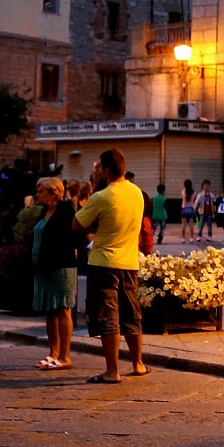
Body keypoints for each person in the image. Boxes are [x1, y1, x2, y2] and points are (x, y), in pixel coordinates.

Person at [74, 150, 148, 384]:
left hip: (104, 263)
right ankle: (138, 364)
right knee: (131, 314)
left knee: (109, 316)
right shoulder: (137, 193)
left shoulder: (101, 197)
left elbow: (77, 224)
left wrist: (94, 186)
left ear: (105, 170)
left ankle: (111, 370)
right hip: (129, 262)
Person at [31, 177, 79, 371]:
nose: (37, 195)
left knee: (62, 309)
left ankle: (65, 355)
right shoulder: (44, 212)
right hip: (43, 268)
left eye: (40, 191)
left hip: (60, 267)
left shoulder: (66, 212)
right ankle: (53, 353)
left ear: (53, 193)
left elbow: (73, 238)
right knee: (50, 311)